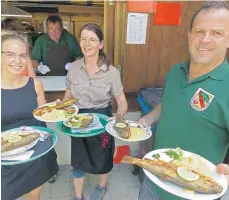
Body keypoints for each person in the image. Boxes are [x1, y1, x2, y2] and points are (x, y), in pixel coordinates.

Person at [138, 1, 229, 200]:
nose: (205, 39)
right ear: (189, 36)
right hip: (155, 178)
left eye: (217, 33)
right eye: (199, 31)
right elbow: (168, 104)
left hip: (195, 192)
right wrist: (147, 120)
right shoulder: (175, 72)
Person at [63, 23, 128, 200]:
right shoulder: (74, 68)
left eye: (92, 39)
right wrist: (60, 107)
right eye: (83, 39)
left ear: (100, 44)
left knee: (103, 158)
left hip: (103, 120)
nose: (87, 43)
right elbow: (68, 96)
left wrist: (119, 117)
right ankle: (78, 196)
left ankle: (102, 186)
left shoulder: (112, 72)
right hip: (78, 121)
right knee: (78, 160)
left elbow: (122, 101)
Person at [1, 34, 59, 200]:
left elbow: (42, 116)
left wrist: (54, 109)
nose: (17, 61)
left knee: (33, 195)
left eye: (22, 55)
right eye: (10, 54)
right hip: (6, 160)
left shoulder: (35, 84)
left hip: (36, 154)